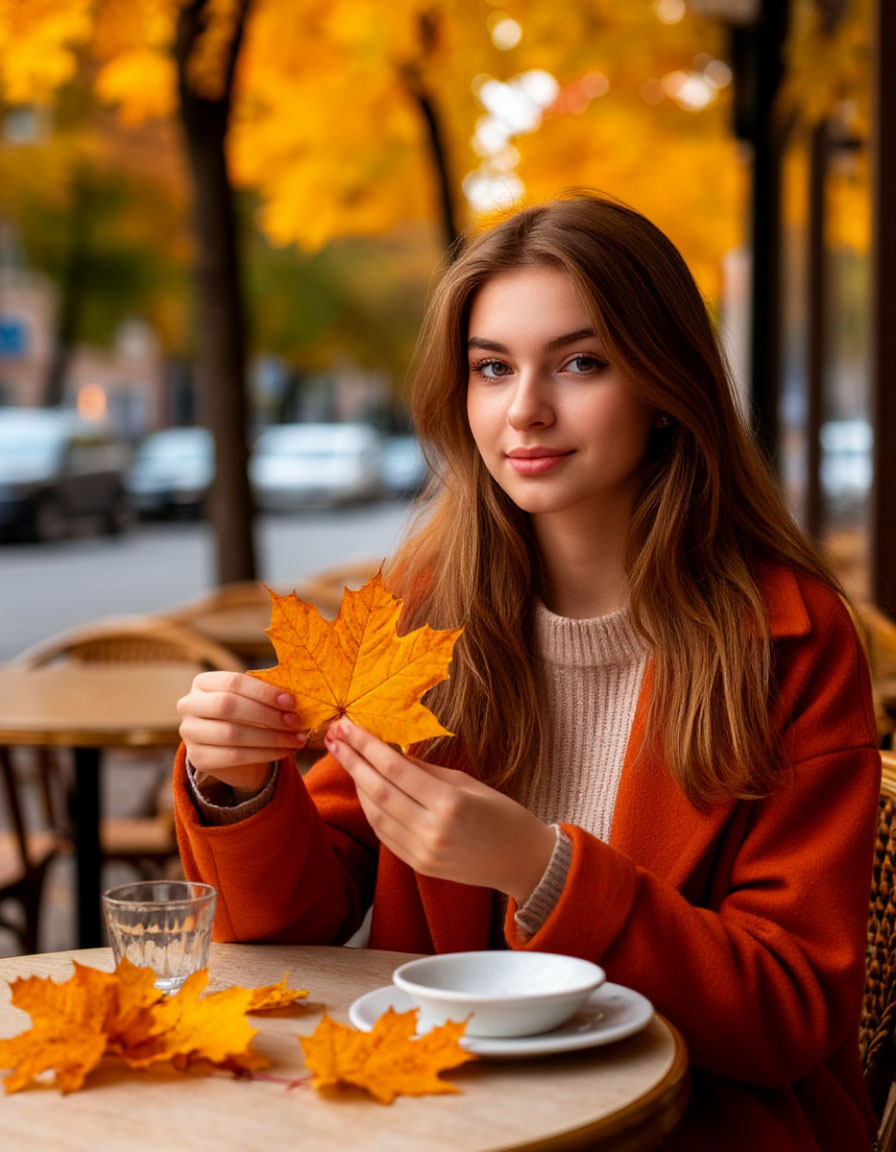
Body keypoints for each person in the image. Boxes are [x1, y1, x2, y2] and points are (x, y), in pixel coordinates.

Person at [173, 192, 882, 1150]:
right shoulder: (428, 605)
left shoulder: (791, 636)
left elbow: (788, 1011)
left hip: (697, 1124)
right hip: (443, 1114)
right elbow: (301, 914)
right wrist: (239, 787)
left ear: (667, 383)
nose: (525, 410)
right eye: (492, 368)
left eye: (581, 363)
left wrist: (538, 870)